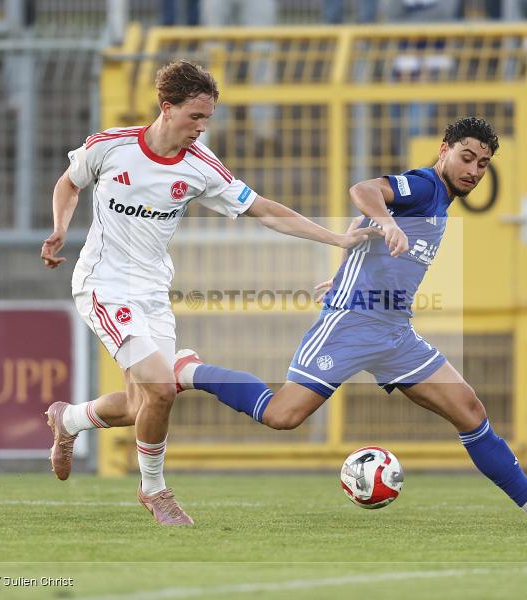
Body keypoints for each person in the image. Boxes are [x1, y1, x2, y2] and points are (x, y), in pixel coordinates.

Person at [174, 117, 527, 528]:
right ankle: (191, 371)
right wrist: (388, 226)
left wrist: (343, 270)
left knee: (469, 410)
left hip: (395, 332)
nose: (473, 171)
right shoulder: (425, 186)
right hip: (351, 325)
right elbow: (364, 191)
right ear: (444, 150)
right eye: (466, 157)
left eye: (482, 164)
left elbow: (365, 228)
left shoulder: (440, 202)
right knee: (282, 416)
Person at [40, 60, 373, 527]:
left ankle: (70, 419)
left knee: (145, 404)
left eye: (207, 119)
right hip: (103, 285)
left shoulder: (201, 168)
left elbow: (264, 210)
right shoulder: (109, 146)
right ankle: (155, 491)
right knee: (160, 386)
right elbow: (68, 185)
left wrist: (335, 238)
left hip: (154, 293)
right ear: (166, 107)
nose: (201, 127)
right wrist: (59, 229)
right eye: (195, 117)